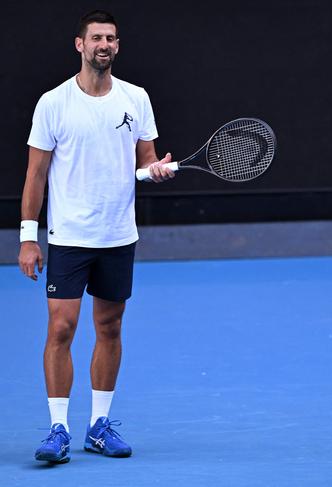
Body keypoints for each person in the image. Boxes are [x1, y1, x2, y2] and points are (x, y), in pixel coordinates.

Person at [18, 10, 175, 464]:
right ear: (80, 45)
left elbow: (143, 162)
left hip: (117, 235)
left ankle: (99, 427)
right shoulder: (53, 103)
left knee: (109, 327)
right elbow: (35, 175)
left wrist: (155, 172)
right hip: (68, 236)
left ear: (117, 46)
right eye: (96, 38)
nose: (104, 44)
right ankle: (58, 429)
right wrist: (30, 237)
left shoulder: (136, 98)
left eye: (111, 38)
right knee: (61, 328)